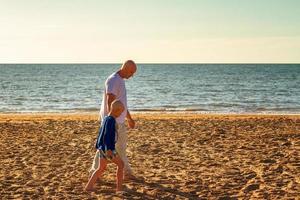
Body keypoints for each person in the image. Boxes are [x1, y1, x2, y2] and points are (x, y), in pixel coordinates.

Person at [89, 60, 137, 180]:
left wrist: (129, 118)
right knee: (116, 148)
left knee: (115, 148)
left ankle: (95, 172)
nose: (132, 75)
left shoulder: (119, 80)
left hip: (117, 120)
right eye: (131, 72)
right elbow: (111, 101)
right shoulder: (114, 80)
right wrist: (111, 121)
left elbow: (121, 104)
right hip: (114, 122)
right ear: (125, 68)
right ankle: (127, 172)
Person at [85, 100, 125, 192]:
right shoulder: (111, 120)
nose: (121, 113)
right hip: (108, 148)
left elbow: (100, 134)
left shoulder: (106, 118)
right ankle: (119, 189)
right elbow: (106, 135)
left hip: (102, 148)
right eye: (121, 111)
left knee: (100, 168)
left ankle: (89, 186)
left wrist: (98, 146)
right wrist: (108, 149)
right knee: (121, 164)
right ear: (116, 110)